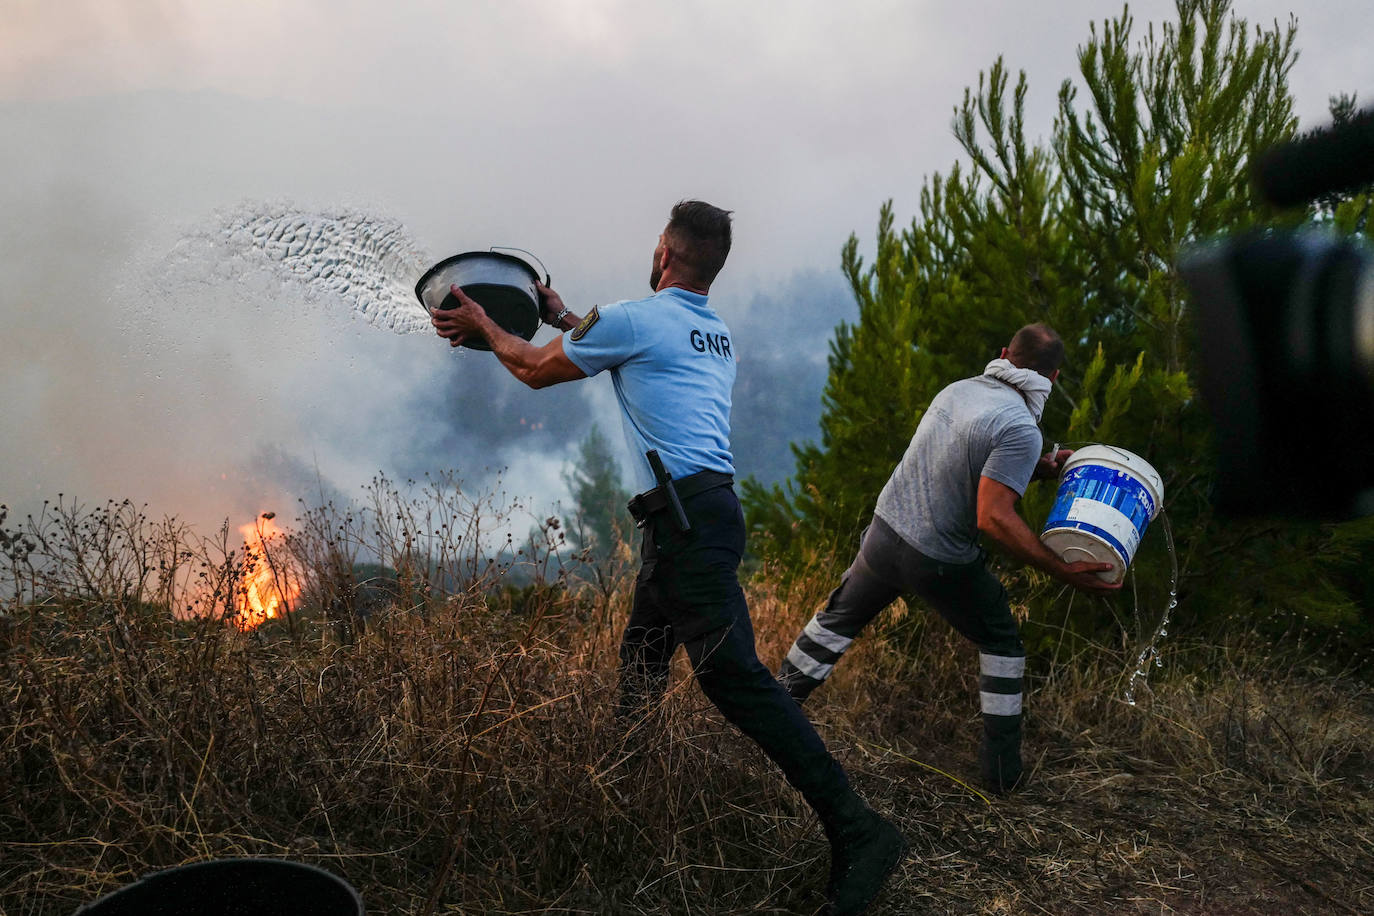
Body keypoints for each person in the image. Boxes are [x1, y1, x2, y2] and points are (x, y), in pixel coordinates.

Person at [431, 200, 904, 915]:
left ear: (664, 254)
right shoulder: (713, 332)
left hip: (685, 523)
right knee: (643, 663)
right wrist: (563, 316)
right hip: (699, 516)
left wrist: (484, 324)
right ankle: (625, 801)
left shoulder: (634, 318)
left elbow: (529, 369)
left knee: (737, 681)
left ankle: (861, 831)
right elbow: (625, 348)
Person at [776, 323, 1122, 794]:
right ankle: (1002, 777)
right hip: (936, 557)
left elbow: (960, 463)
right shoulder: (1021, 427)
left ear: (1003, 353)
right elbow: (992, 517)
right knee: (1001, 641)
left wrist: (1036, 468)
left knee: (835, 624)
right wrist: (1063, 569)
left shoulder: (958, 390)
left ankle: (771, 714)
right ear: (1054, 378)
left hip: (884, 532)